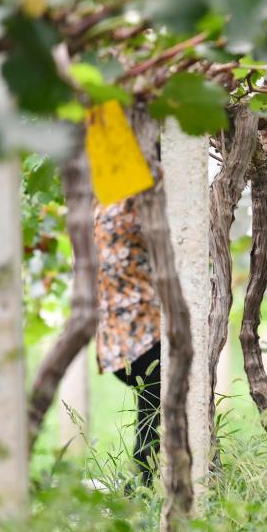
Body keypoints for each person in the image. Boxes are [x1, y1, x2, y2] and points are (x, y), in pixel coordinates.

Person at [94, 196, 162, 487]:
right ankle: (147, 481)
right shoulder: (134, 208)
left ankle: (145, 481)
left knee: (151, 403)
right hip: (140, 333)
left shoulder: (100, 205)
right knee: (155, 398)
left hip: (116, 340)